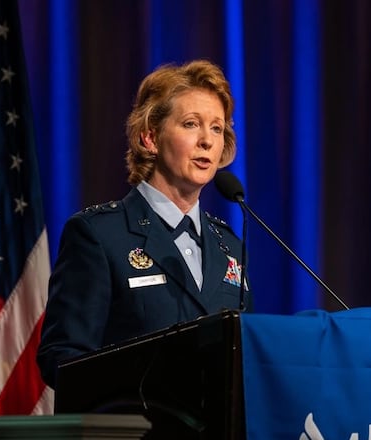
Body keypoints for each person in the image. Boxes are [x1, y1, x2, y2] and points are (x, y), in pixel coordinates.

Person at [37, 60, 251, 388]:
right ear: (150, 137)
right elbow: (62, 358)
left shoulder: (230, 246)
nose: (207, 140)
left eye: (217, 128)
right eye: (192, 124)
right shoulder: (99, 235)